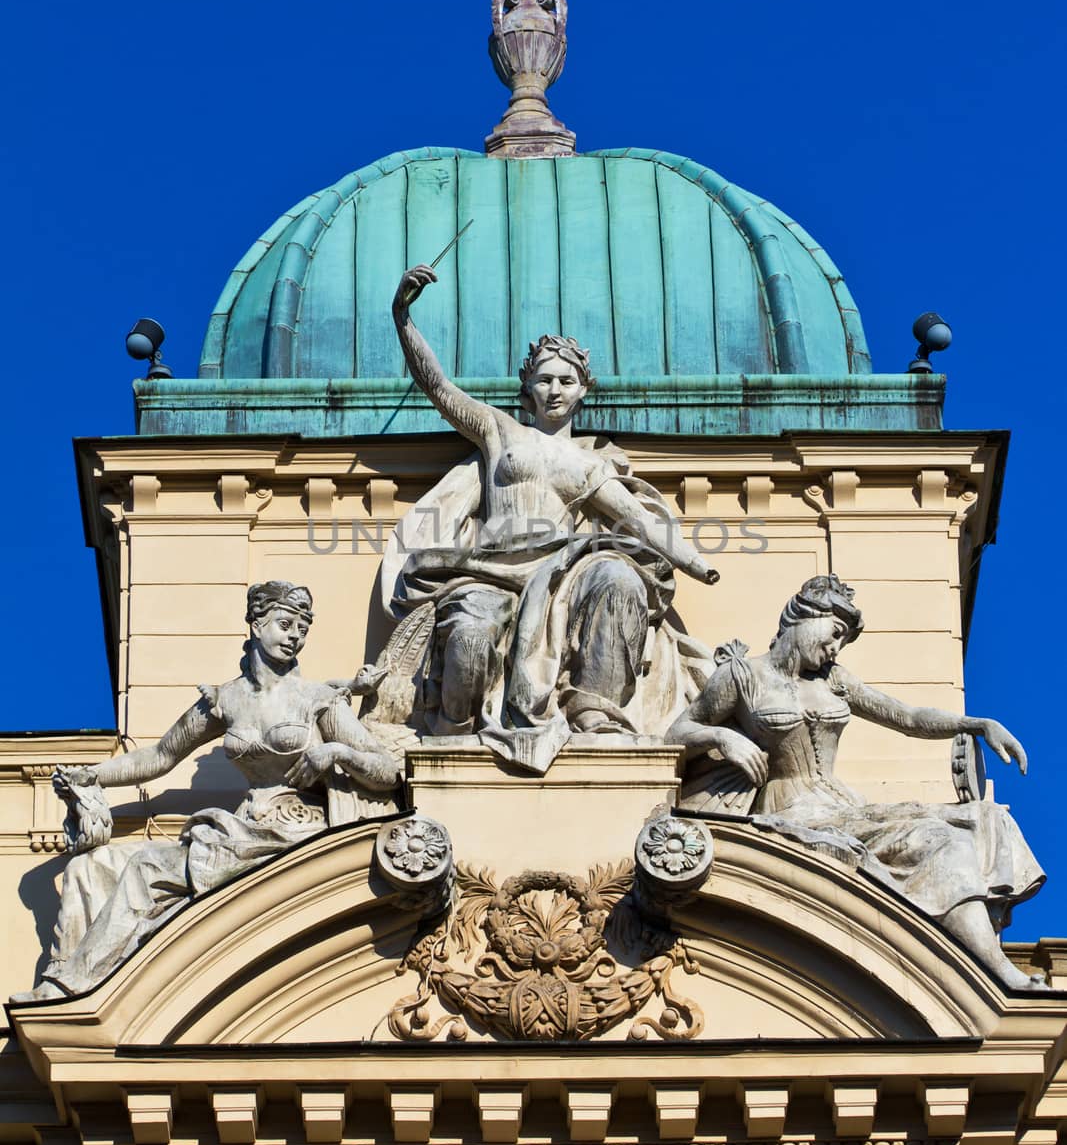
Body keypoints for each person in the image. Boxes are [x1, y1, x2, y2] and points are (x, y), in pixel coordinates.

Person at [384, 262, 718, 772]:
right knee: (470, 638)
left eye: (567, 379)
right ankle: (451, 732)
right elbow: (440, 389)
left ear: (584, 388)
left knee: (618, 578)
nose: (556, 389)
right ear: (528, 388)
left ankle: (593, 714)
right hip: (491, 565)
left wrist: (697, 564)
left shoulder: (590, 464)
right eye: (544, 379)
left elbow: (637, 519)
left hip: (561, 567)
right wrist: (402, 315)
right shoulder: (498, 431)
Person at [14, 581, 401, 1001]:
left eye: (303, 629)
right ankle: (71, 985)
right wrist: (92, 775)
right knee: (118, 867)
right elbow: (160, 756)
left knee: (144, 869)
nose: (295, 637)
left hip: (301, 833)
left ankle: (69, 985)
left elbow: (386, 772)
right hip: (244, 829)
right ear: (256, 624)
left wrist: (336, 752)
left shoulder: (317, 698)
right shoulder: (224, 700)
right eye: (286, 624)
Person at [666, 574, 1045, 990]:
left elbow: (907, 716)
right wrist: (723, 736)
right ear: (803, 617)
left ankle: (982, 962)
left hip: (842, 806)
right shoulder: (741, 677)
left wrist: (975, 723)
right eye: (834, 633)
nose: (835, 648)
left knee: (980, 820)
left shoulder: (835, 681)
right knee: (944, 841)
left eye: (843, 641)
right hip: (791, 811)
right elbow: (677, 734)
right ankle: (996, 971)